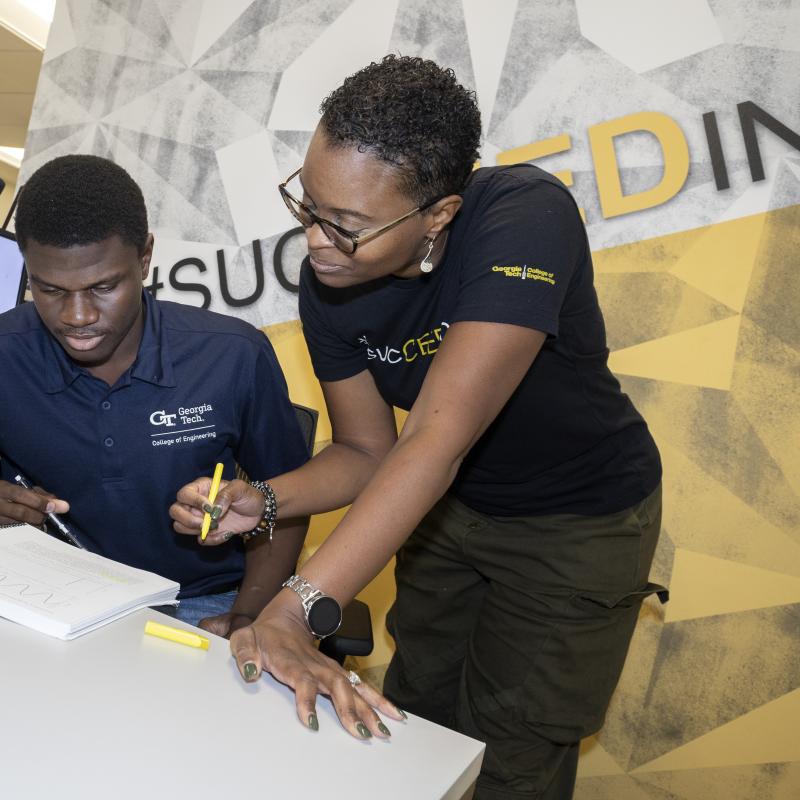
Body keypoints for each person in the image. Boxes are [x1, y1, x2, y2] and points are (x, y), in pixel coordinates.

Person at [170, 55, 663, 798]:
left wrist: (292, 612)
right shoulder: (329, 281)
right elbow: (369, 450)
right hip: (445, 508)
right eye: (308, 205)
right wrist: (267, 500)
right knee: (416, 717)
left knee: (514, 750)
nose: (315, 240)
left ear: (439, 215)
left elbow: (438, 433)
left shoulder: (525, 216)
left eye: (349, 225)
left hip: (575, 519)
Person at [0, 154, 310, 633]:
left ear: (144, 258)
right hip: (43, 593)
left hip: (203, 602)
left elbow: (286, 505)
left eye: (103, 286)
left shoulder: (233, 356)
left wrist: (250, 616)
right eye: (49, 289)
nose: (77, 316)